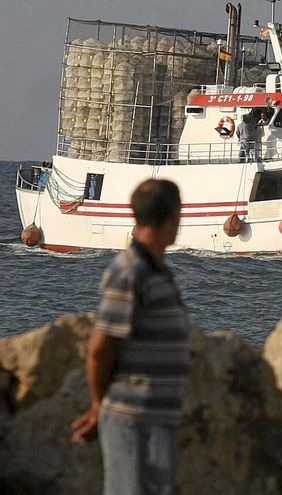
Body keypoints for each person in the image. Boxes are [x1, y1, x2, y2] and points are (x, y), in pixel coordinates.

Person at [71, 179, 193, 495]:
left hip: (157, 419)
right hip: (133, 420)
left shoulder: (157, 272)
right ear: (174, 217)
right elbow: (100, 349)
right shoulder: (129, 272)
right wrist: (100, 405)